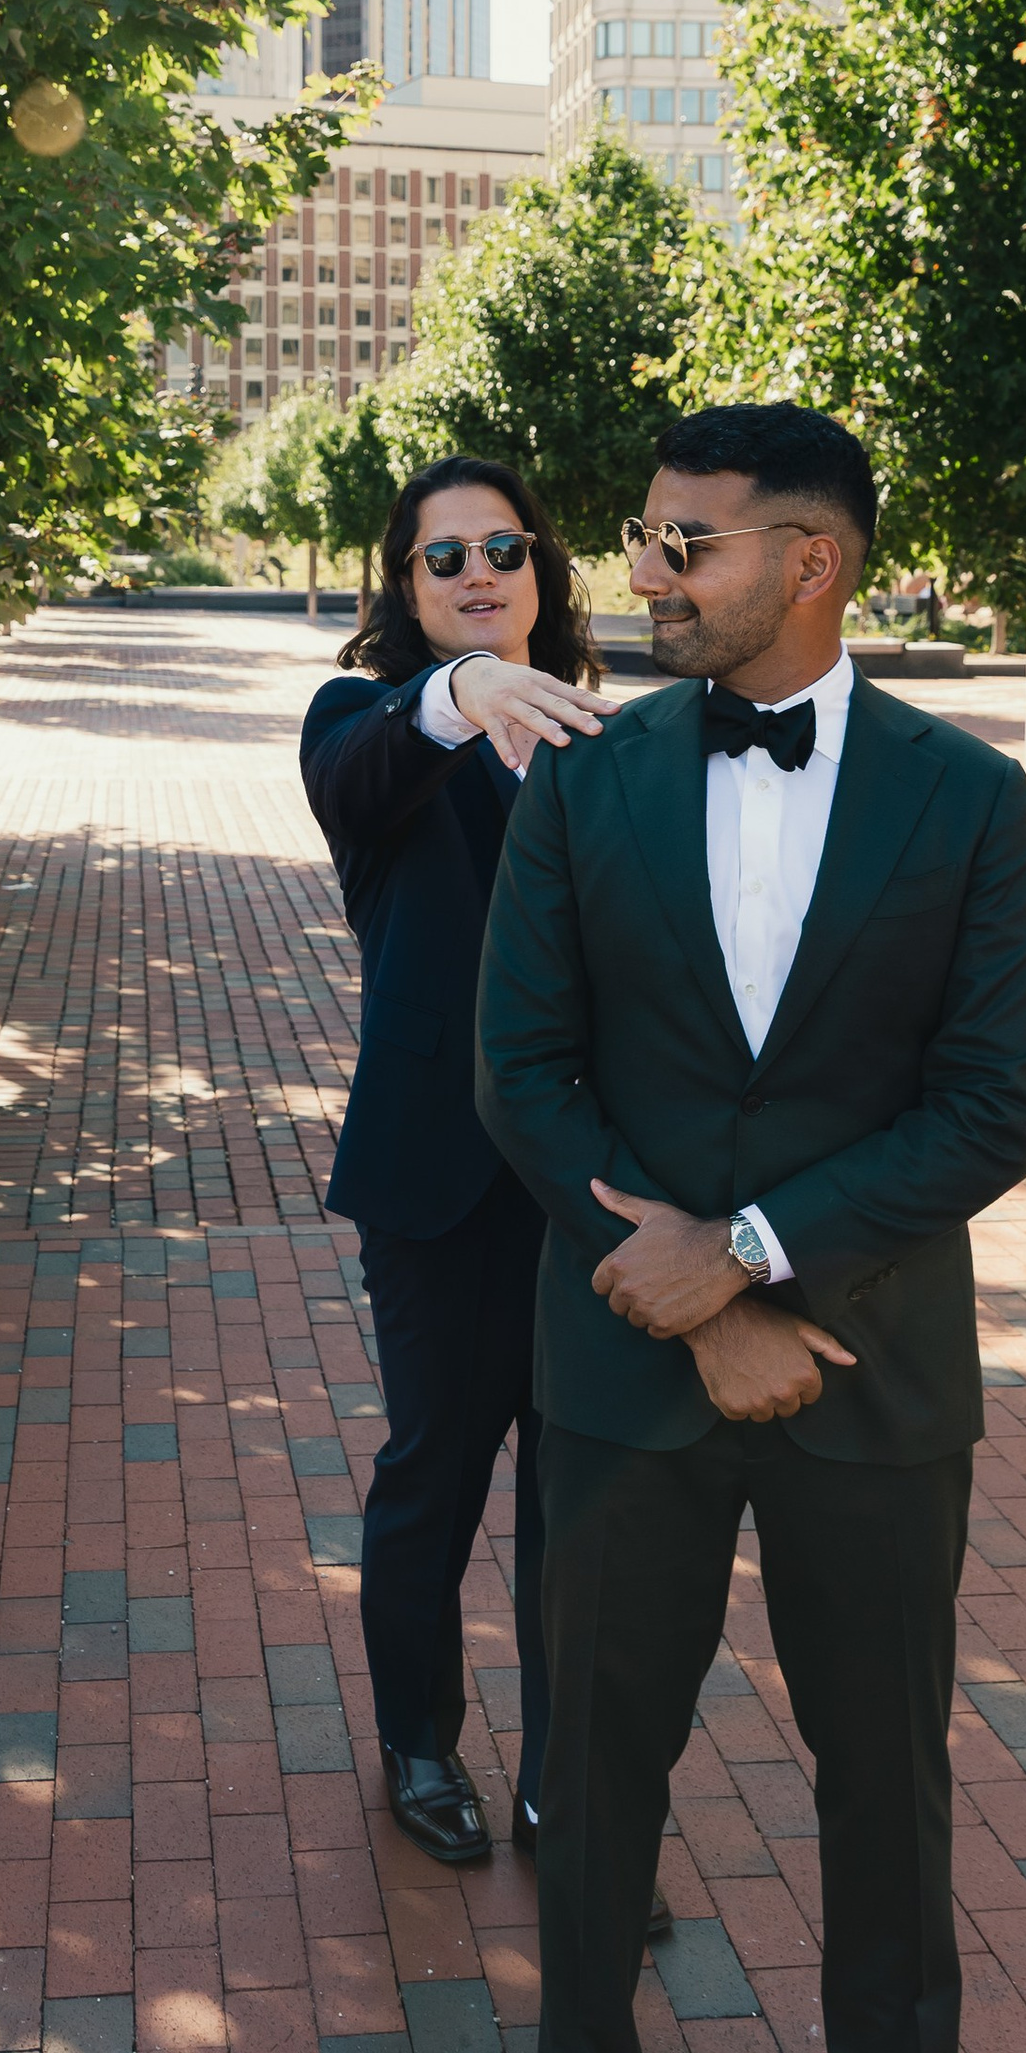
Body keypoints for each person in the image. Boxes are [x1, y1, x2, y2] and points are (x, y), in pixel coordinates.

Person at [474, 402, 1026, 2053]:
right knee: (596, 1788)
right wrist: (692, 1298)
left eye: (680, 547)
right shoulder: (581, 783)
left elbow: (987, 1110)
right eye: (638, 539)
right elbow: (521, 1072)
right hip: (622, 1377)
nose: (638, 575)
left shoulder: (963, 803)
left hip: (871, 1380)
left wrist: (749, 1255)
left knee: (882, 1790)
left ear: (804, 563)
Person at [300, 457, 606, 1864]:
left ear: (541, 568)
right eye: (445, 560)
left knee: (580, 1493)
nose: (479, 575)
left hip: (595, 1191)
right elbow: (365, 781)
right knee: (436, 1472)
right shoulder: (362, 721)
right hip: (436, 1180)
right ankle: (420, 1746)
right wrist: (461, 694)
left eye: (503, 549)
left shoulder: (617, 742)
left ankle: (565, 1779)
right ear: (405, 587)